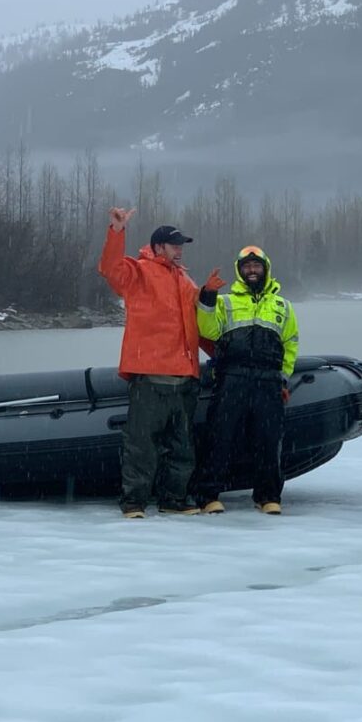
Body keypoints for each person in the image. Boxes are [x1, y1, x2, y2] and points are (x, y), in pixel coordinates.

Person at [98, 208, 220, 518]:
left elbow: (199, 327)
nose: (179, 251)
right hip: (150, 377)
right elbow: (110, 268)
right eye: (174, 245)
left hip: (184, 379)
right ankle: (134, 503)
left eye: (181, 246)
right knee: (142, 445)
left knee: (181, 446)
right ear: (157, 248)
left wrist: (221, 353)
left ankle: (173, 499)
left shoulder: (186, 281)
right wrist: (117, 231)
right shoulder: (138, 272)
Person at [194, 245, 299, 515]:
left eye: (256, 266)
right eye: (246, 266)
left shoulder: (283, 306)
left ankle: (267, 496)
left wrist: (283, 380)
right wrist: (207, 296)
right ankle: (208, 496)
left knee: (269, 440)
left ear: (265, 268)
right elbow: (207, 329)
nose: (252, 270)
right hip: (232, 378)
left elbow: (290, 345)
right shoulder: (224, 301)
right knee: (220, 438)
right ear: (240, 271)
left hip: (268, 381)